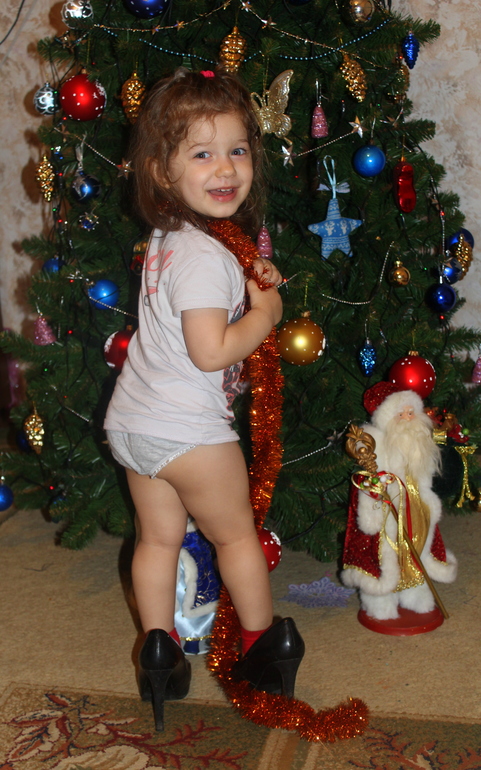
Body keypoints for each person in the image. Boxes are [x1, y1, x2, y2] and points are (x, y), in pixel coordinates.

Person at [104, 68, 304, 731]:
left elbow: (200, 290)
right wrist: (266, 313)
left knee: (157, 540)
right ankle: (264, 648)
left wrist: (249, 275)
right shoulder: (204, 257)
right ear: (161, 172)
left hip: (134, 425)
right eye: (201, 153)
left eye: (237, 149)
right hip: (188, 431)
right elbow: (211, 350)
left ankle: (158, 650)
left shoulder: (171, 241)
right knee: (236, 536)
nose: (225, 168)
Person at [341, 381, 457, 621]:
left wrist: (429, 503)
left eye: (411, 412)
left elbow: (424, 478)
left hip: (414, 509)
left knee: (416, 549)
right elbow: (367, 484)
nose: (407, 418)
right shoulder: (376, 442)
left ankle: (413, 590)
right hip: (386, 509)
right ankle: (379, 599)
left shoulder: (419, 441)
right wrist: (371, 508)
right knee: (383, 556)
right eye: (400, 413)